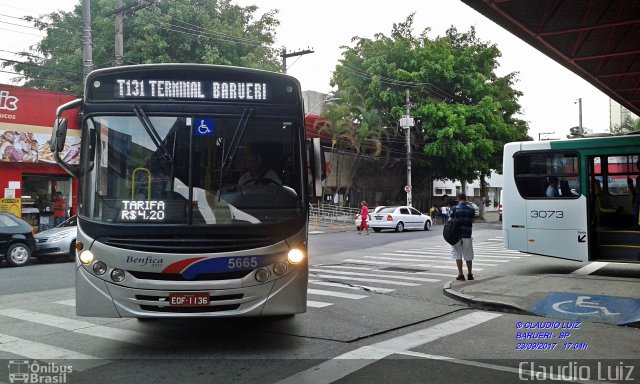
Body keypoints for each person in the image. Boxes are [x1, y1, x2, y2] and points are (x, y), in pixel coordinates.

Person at [450, 192, 475, 281]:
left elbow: (450, 221)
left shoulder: (454, 209)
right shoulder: (471, 209)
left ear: (458, 199)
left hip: (456, 236)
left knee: (458, 255)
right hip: (467, 235)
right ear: (466, 198)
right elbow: (472, 221)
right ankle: (470, 274)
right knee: (468, 255)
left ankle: (461, 274)